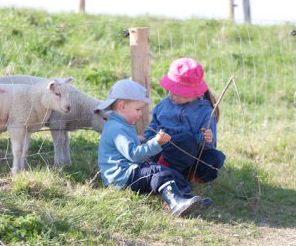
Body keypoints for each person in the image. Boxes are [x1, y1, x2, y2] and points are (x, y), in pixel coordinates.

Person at [95, 79, 204, 217]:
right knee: (158, 172)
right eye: (138, 109)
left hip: (130, 171)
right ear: (122, 106)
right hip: (122, 177)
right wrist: (155, 143)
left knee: (168, 172)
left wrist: (143, 140)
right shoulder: (117, 129)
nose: (140, 114)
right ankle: (175, 203)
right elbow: (134, 154)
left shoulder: (120, 124)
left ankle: (187, 199)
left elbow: (130, 149)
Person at [142, 57, 226, 188]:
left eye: (175, 92)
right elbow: (154, 124)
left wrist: (207, 139)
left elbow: (209, 147)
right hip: (163, 152)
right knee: (186, 140)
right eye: (170, 89)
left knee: (216, 158)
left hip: (190, 157)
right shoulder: (165, 104)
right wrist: (146, 138)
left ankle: (186, 176)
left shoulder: (205, 112)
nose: (170, 94)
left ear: (191, 94)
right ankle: (161, 171)